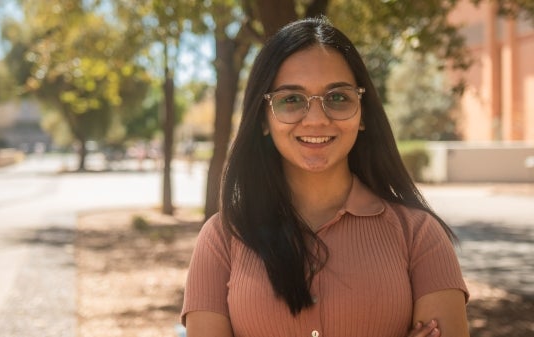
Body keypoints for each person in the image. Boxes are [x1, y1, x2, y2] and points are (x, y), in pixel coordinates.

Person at [181, 17, 470, 337]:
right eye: (291, 99)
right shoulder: (222, 239)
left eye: (337, 98)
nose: (316, 119)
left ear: (362, 113)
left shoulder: (418, 236)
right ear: (264, 119)